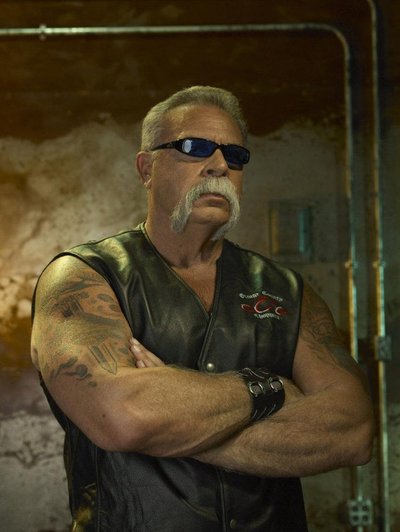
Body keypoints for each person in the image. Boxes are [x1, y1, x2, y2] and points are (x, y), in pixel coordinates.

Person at [31, 85, 374, 532]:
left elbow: (353, 431)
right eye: (194, 147)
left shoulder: (286, 290)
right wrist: (267, 388)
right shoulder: (83, 276)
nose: (219, 165)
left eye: (235, 154)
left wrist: (174, 427)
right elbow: (121, 418)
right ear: (146, 168)